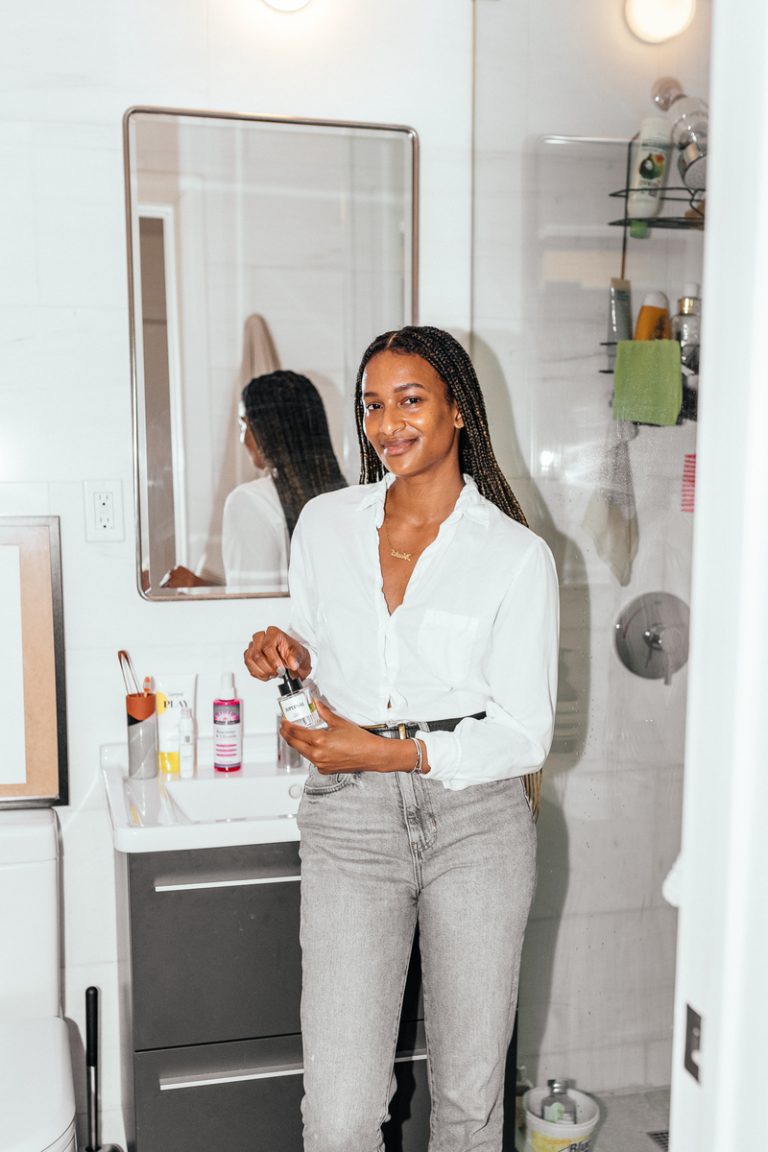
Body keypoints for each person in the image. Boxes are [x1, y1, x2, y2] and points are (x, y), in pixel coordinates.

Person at [243, 326, 559, 1151]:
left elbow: (526, 734)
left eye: (410, 399)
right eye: (372, 405)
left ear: (457, 410)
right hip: (351, 824)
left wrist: (393, 752)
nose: (387, 423)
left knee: (467, 1102)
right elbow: (314, 639)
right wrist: (282, 648)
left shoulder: (515, 556)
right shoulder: (324, 524)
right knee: (342, 1110)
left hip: (478, 824)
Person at [164, 370, 346, 591]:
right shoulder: (346, 499)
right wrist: (198, 586)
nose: (242, 438)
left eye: (244, 426)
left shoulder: (250, 501)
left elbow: (251, 605)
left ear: (267, 430)